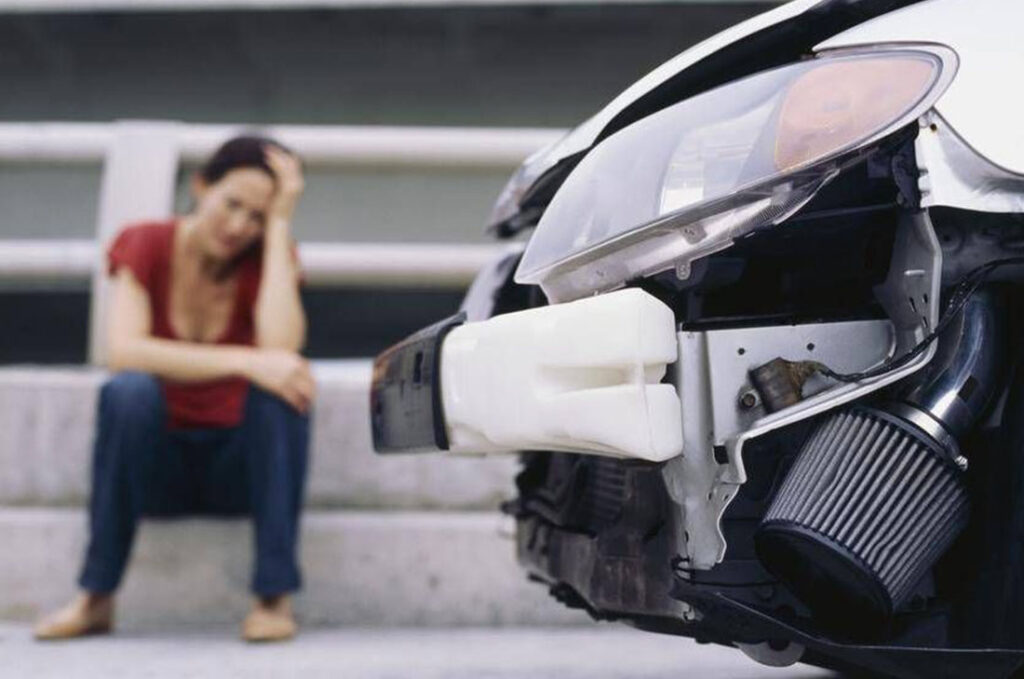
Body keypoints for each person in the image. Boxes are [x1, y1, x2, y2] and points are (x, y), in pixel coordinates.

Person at [33, 135, 315, 643]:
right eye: (232, 205)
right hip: (155, 466)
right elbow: (124, 350)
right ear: (200, 185)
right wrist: (247, 361)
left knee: (283, 392)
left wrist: (279, 226)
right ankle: (96, 597)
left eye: (257, 216)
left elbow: (282, 349)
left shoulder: (269, 255)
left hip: (240, 469)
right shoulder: (145, 242)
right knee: (128, 391)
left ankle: (273, 597)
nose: (239, 227)